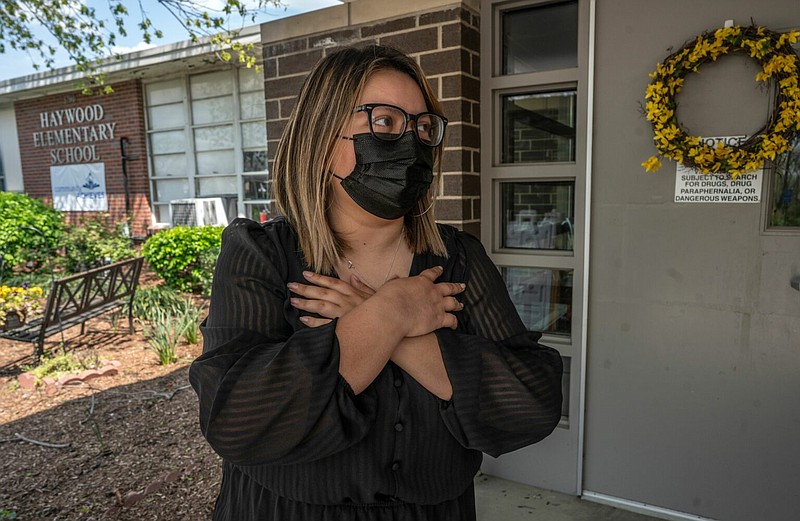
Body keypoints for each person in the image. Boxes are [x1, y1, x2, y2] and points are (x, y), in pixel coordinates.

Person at [189, 44, 563, 521]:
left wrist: (387, 326)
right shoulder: (262, 254)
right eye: (384, 122)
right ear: (323, 139)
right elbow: (238, 422)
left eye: (423, 127)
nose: (411, 141)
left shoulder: (458, 258)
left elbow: (531, 404)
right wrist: (393, 312)